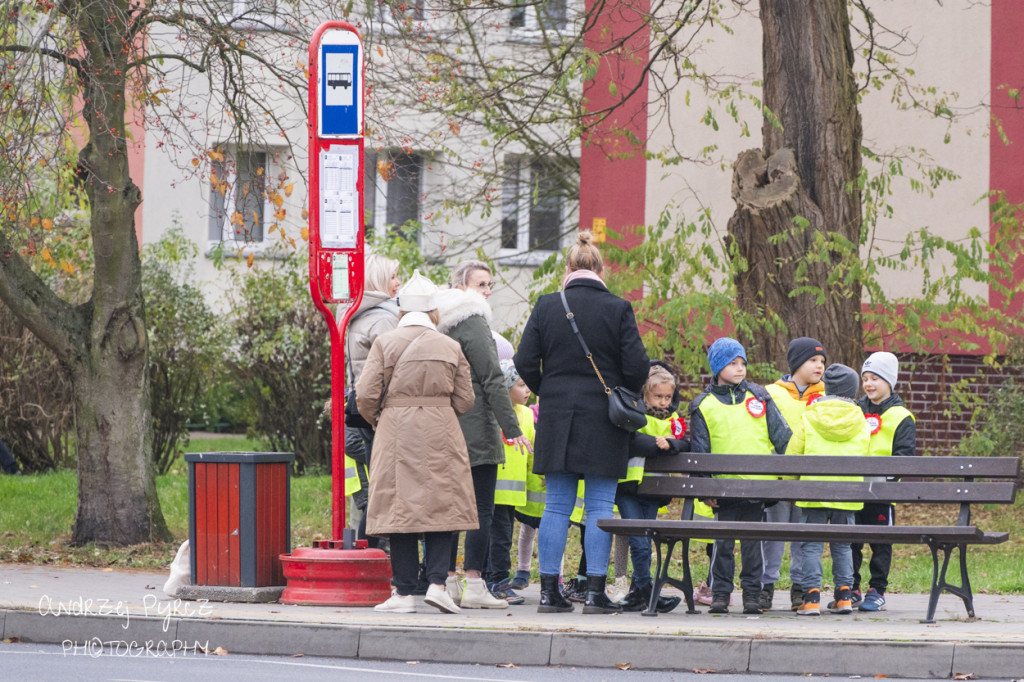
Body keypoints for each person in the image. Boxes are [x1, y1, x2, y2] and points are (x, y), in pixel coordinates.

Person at [514, 231, 650, 615]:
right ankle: (594, 593)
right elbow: (638, 366)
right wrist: (617, 390)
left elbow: (524, 362)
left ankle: (548, 593)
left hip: (557, 418)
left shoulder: (546, 306)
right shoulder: (618, 307)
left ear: (569, 269)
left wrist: (551, 391)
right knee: (600, 508)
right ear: (601, 269)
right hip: (604, 421)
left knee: (556, 507)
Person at [356, 271, 477, 614]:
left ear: (401, 311)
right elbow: (466, 399)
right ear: (433, 312)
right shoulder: (450, 346)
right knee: (443, 504)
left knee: (399, 507)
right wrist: (438, 411)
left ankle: (403, 593)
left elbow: (365, 396)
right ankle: (438, 585)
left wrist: (384, 418)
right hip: (442, 428)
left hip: (395, 428)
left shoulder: (385, 343)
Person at [437, 261, 531, 609]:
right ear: (462, 286)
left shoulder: (439, 323)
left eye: (490, 284)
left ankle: (447, 580)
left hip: (447, 425)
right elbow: (492, 379)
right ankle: (475, 581)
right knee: (479, 509)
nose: (488, 291)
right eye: (481, 284)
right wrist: (512, 427)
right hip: (476, 426)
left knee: (448, 507)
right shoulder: (473, 322)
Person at [688, 337, 791, 615]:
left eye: (743, 363)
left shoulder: (759, 396)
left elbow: (783, 437)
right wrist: (705, 487)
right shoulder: (703, 404)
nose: (740, 368)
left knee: (752, 543)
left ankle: (752, 595)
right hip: (722, 489)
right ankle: (720, 593)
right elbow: (699, 450)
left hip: (757, 486)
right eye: (732, 363)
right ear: (718, 366)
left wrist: (781, 472)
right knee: (722, 543)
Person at [789, 363, 870, 616]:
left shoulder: (809, 416)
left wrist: (794, 482)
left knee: (811, 546)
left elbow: (792, 456)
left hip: (813, 493)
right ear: (852, 391)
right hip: (847, 495)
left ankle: (811, 598)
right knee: (842, 546)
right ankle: (844, 596)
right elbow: (866, 456)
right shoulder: (861, 421)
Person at [616, 362, 688, 613]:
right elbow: (630, 441)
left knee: (646, 540)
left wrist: (671, 444)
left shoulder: (673, 419)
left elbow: (683, 442)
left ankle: (639, 592)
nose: (663, 402)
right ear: (645, 394)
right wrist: (655, 445)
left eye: (668, 397)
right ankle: (647, 589)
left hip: (653, 490)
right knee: (638, 540)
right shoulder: (634, 415)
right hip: (629, 487)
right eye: (658, 396)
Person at [762, 337, 827, 611]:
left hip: (808, 480)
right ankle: (766, 585)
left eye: (823, 361)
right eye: (813, 360)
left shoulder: (826, 397)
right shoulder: (770, 393)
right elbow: (763, 434)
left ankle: (799, 588)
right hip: (778, 478)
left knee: (802, 535)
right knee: (773, 535)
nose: (819, 366)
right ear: (797, 362)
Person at [851, 351, 917, 613]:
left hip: (882, 493)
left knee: (881, 542)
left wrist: (887, 480)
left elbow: (904, 456)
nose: (868, 384)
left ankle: (877, 589)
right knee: (851, 541)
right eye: (865, 378)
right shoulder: (854, 410)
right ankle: (851, 587)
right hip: (854, 491)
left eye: (875, 378)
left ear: (889, 382)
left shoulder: (902, 417)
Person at [343, 254, 401, 548]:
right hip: (383, 413)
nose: (398, 282)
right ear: (377, 280)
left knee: (379, 490)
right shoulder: (385, 318)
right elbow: (396, 370)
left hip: (362, 410)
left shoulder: (358, 315)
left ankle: (370, 553)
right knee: (386, 491)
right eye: (392, 276)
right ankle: (381, 555)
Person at [484, 360, 534, 604]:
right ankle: (497, 581)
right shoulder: (491, 413)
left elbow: (532, 449)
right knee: (497, 538)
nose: (528, 391)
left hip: (513, 494)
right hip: (491, 490)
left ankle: (492, 579)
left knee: (502, 537)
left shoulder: (526, 415)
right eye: (521, 385)